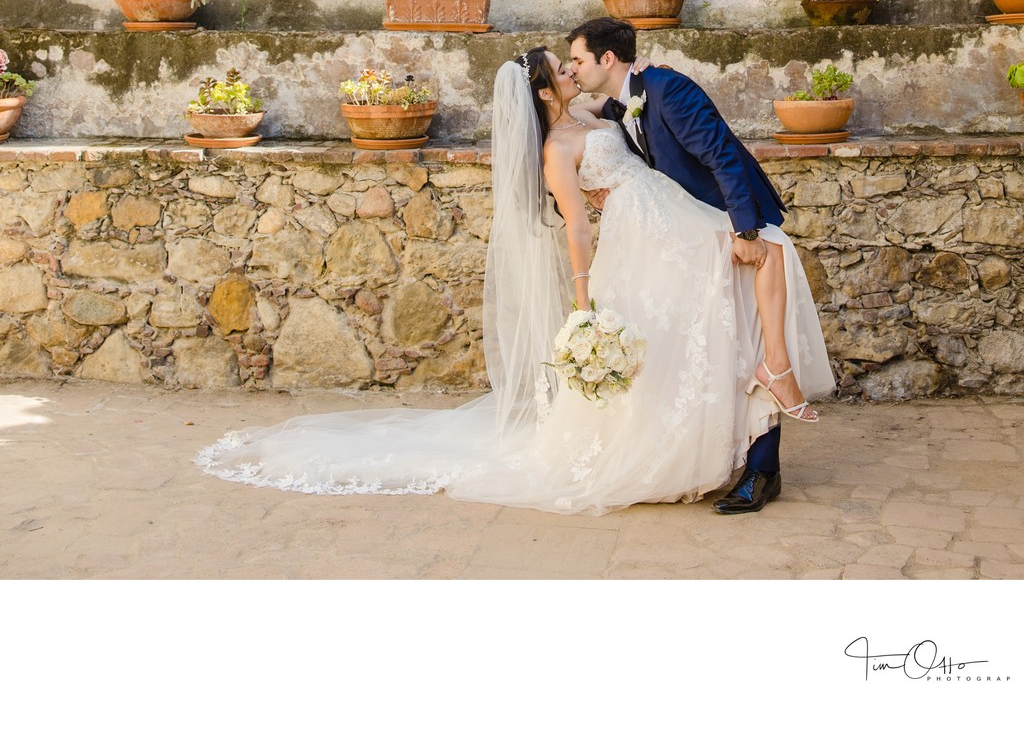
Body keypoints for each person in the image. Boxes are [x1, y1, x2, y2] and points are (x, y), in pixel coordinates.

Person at [196, 48, 827, 517]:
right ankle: (715, 439)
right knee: (692, 328)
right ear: (547, 85)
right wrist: (584, 305)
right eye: (562, 65)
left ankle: (758, 424)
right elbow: (576, 227)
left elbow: (642, 124)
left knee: (732, 301)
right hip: (640, 240)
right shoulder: (555, 146)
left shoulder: (595, 109)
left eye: (574, 60)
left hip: (668, 218)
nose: (570, 69)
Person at [567, 16, 833, 513]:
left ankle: (763, 469)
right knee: (722, 345)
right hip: (684, 237)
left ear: (607, 59)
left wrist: (746, 232)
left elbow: (722, 156)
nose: (573, 70)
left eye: (578, 60)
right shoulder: (626, 98)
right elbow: (603, 125)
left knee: (752, 335)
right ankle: (740, 450)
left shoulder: (669, 89)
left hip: (728, 224)